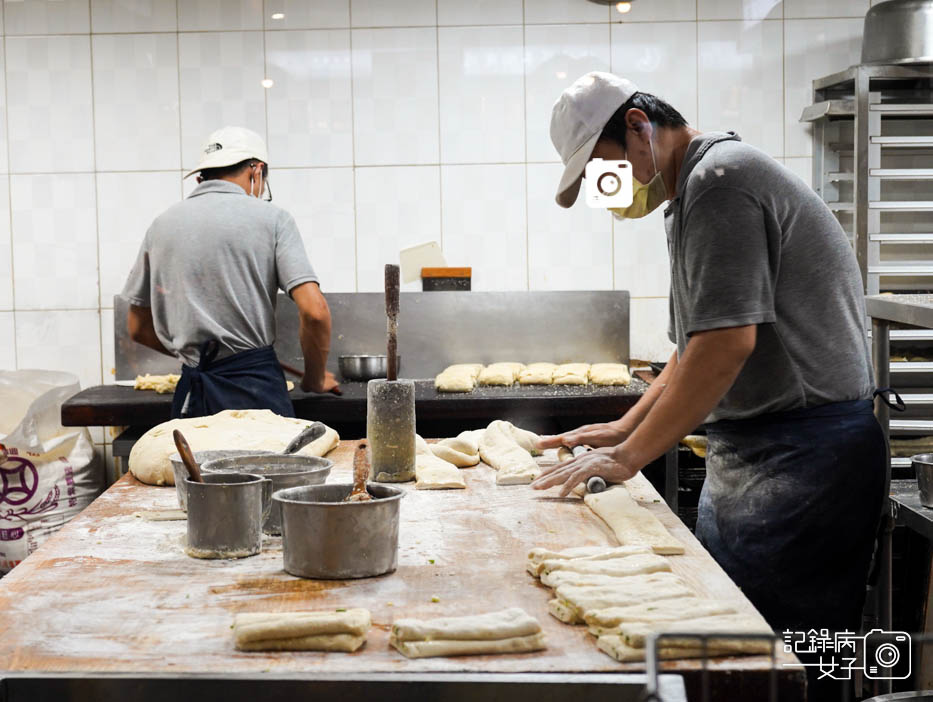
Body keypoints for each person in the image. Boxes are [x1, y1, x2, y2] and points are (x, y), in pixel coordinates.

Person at [532, 72, 885, 701]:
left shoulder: (721, 183)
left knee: (781, 663)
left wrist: (629, 457)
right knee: (740, 651)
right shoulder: (695, 189)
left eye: (603, 170)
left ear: (639, 125)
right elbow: (695, 345)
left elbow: (727, 347)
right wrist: (625, 427)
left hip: (805, 459)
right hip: (765, 451)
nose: (605, 190)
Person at [122, 126, 340, 419]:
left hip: (193, 393)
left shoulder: (160, 225)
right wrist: (314, 377)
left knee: (196, 465)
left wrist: (197, 357)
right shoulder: (273, 220)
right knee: (264, 465)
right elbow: (315, 312)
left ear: (202, 177)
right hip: (255, 391)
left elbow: (137, 328)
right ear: (256, 171)